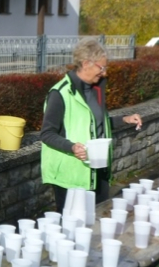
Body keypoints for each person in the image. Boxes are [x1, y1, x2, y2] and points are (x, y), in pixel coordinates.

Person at [40, 38, 143, 212]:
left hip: (99, 171)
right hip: (72, 176)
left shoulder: (96, 89)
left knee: (97, 221)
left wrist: (124, 119)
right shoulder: (60, 93)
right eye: (101, 68)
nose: (105, 73)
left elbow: (95, 124)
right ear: (86, 63)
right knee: (73, 225)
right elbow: (47, 134)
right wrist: (72, 147)